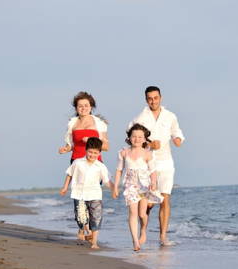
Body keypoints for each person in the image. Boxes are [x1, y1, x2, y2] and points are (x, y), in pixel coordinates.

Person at [128, 86, 185, 246]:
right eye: (150, 98)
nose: (153, 101)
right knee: (149, 202)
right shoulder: (141, 117)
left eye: (155, 98)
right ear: (146, 100)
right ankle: (144, 229)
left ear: (161, 97)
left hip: (166, 162)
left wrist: (177, 139)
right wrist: (148, 143)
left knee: (165, 198)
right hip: (146, 163)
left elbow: (176, 131)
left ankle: (163, 237)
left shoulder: (170, 116)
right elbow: (130, 133)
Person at [58, 91, 109, 239]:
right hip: (77, 163)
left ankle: (91, 229)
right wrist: (65, 149)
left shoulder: (99, 123)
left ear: (91, 106)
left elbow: (106, 146)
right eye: (80, 106)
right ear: (76, 108)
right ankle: (83, 226)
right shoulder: (72, 123)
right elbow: (71, 145)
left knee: (92, 198)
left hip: (95, 163)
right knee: (79, 198)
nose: (83, 108)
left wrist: (92, 140)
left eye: (86, 105)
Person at [112, 123, 163, 251]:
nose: (137, 139)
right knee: (133, 213)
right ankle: (135, 241)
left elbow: (153, 171)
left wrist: (154, 183)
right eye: (134, 136)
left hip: (144, 186)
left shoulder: (147, 154)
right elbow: (119, 170)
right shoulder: (124, 153)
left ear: (145, 139)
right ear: (129, 138)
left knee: (142, 214)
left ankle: (143, 229)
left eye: (140, 137)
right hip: (130, 186)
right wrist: (116, 187)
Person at [60, 137, 114, 249]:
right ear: (86, 150)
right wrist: (65, 187)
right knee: (80, 217)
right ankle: (84, 229)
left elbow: (106, 181)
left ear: (99, 153)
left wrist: (114, 189)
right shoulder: (77, 162)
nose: (92, 155)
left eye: (95, 153)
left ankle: (94, 241)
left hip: (95, 195)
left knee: (96, 217)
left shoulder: (100, 166)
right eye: (90, 152)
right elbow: (69, 174)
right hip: (79, 194)